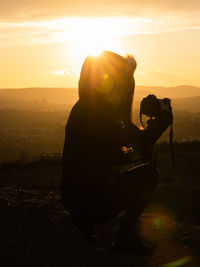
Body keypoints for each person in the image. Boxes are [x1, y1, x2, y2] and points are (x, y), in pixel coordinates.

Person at [60, 51, 172, 252]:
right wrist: (162, 120)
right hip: (92, 203)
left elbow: (97, 154)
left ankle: (85, 227)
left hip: (72, 199)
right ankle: (126, 236)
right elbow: (142, 141)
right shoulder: (106, 113)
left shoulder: (81, 107)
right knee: (147, 175)